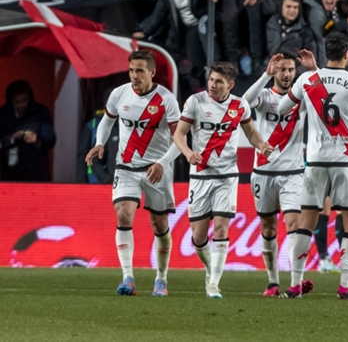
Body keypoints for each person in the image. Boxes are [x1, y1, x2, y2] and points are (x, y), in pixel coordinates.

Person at [275, 33, 348, 299]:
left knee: (306, 222)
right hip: (346, 162)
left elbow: (281, 108)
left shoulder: (307, 79)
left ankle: (294, 285)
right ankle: (346, 286)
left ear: (326, 53)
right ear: (347, 54)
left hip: (315, 160)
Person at [83, 51, 181, 296]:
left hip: (157, 169)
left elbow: (180, 137)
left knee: (159, 225)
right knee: (124, 215)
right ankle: (128, 277)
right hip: (126, 167)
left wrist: (162, 163)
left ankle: (161, 278)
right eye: (131, 70)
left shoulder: (166, 99)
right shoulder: (119, 94)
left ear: (151, 72)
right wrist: (100, 143)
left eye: (139, 70)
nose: (134, 75)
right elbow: (107, 121)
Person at [172, 62, 273, 298]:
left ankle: (214, 284)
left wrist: (262, 146)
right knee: (198, 236)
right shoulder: (195, 102)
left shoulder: (240, 106)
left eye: (218, 81)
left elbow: (251, 134)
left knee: (220, 228)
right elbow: (179, 133)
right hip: (200, 174)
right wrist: (188, 153)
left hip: (227, 175)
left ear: (230, 85)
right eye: (211, 80)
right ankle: (211, 269)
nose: (213, 85)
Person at [243, 50, 318, 296]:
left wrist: (314, 71)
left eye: (290, 70)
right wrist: (265, 74)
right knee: (268, 229)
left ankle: (297, 280)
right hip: (263, 172)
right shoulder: (264, 96)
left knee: (294, 224)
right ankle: (273, 282)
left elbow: (325, 95)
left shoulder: (302, 98)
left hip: (294, 173)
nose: (286, 75)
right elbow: (244, 102)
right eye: (282, 69)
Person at [133, 0, 208, 76]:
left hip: (202, 21)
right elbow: (159, 13)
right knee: (195, 60)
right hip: (188, 27)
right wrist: (145, 32)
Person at [0, 81, 56, 182]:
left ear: (29, 98)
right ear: (10, 100)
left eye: (24, 100)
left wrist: (37, 140)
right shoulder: (3, 115)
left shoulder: (40, 112)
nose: (21, 105)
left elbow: (51, 140)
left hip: (36, 173)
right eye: (17, 102)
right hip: (10, 174)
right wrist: (13, 138)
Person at [265, 0, 322, 65]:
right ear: (281, 7)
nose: (292, 10)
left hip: (293, 74)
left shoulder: (306, 33)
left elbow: (310, 62)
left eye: (295, 7)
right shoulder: (269, 25)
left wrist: (292, 71)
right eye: (288, 6)